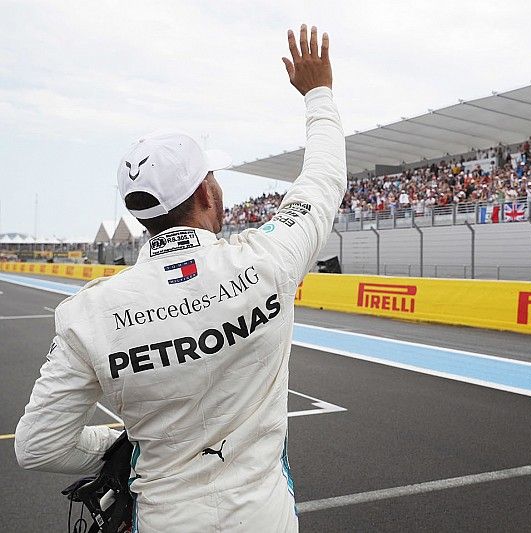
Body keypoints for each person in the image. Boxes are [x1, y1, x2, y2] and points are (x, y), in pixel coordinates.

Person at [15, 24, 345, 532]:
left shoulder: (89, 314)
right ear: (207, 195)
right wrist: (318, 94)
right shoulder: (265, 260)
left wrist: (121, 445)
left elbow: (38, 446)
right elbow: (322, 182)